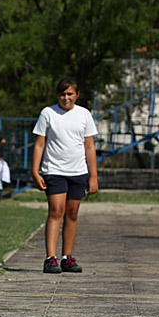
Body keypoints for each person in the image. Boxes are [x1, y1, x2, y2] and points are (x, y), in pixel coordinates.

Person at [31, 77, 98, 274]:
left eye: (70, 94)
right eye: (62, 94)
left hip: (78, 172)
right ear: (57, 95)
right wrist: (35, 171)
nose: (66, 98)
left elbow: (89, 146)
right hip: (54, 171)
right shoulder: (48, 113)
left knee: (72, 214)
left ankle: (67, 257)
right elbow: (40, 144)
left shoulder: (84, 115)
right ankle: (51, 258)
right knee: (56, 211)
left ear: (77, 95)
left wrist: (93, 176)